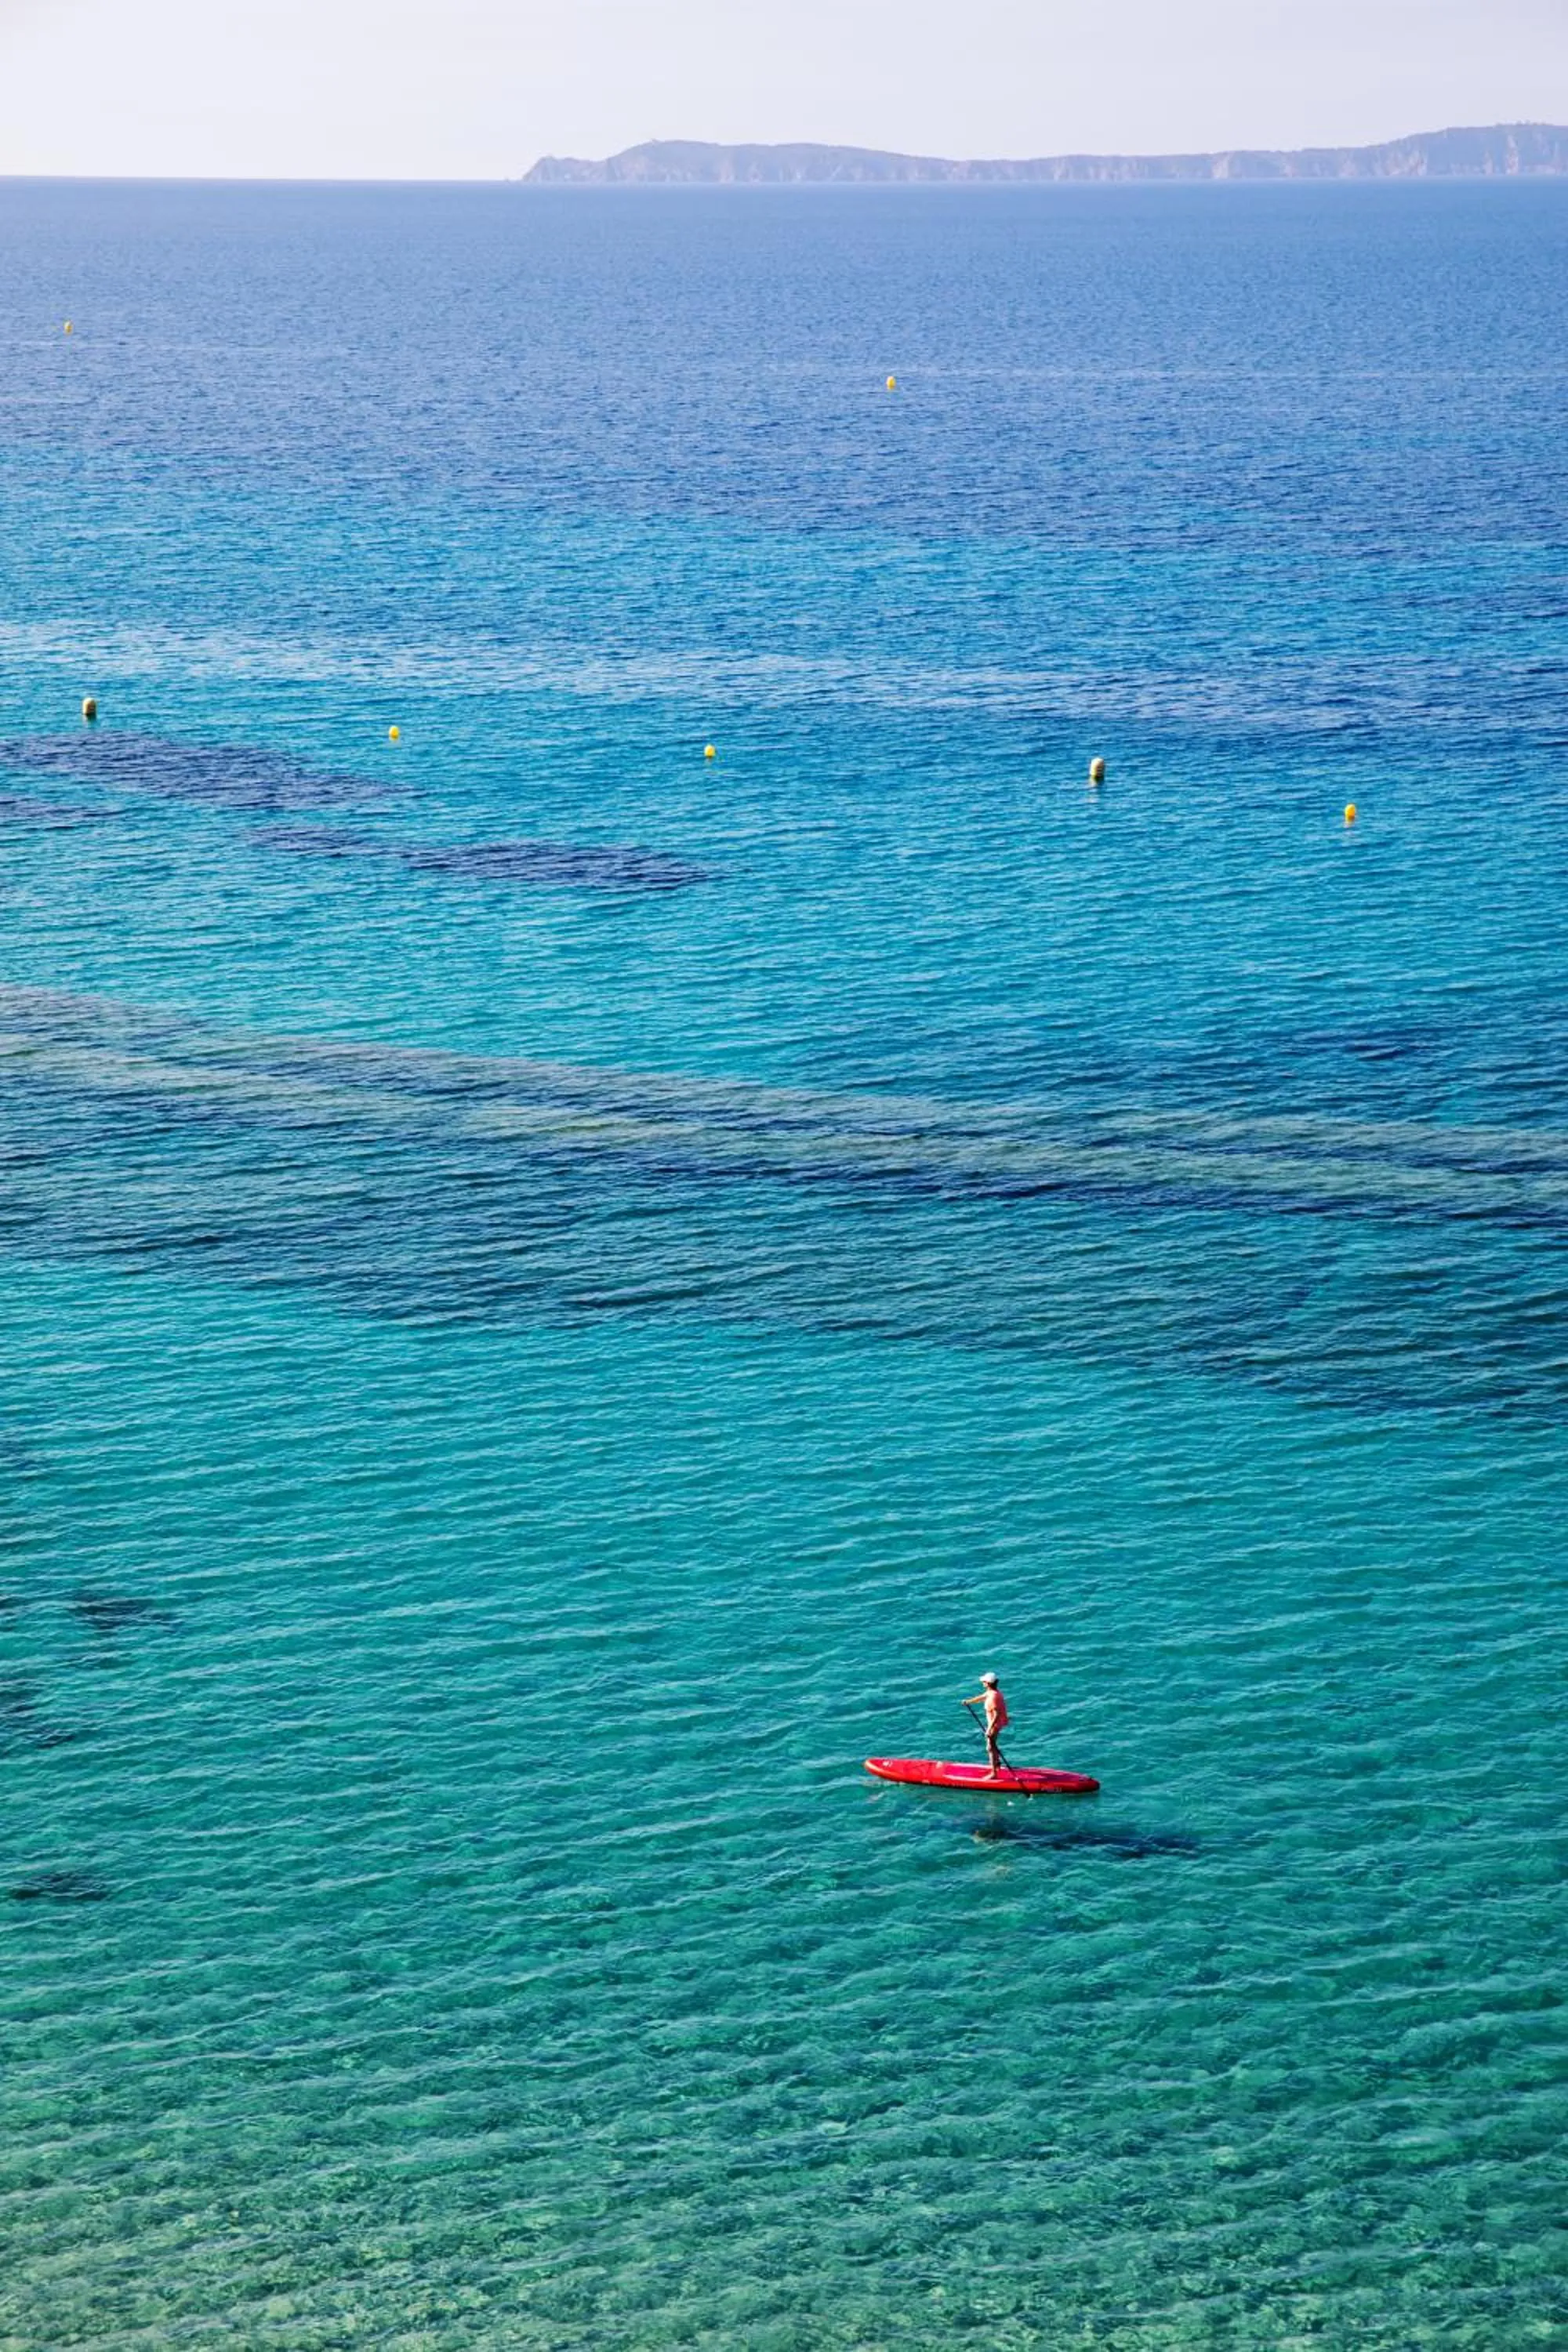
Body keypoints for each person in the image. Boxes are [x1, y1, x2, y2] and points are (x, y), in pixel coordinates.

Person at [963, 1671, 1009, 1774]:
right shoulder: (992, 1692)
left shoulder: (993, 1697)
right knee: (993, 1745)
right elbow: (981, 1698)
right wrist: (968, 1702)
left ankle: (994, 1773)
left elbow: (996, 1715)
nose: (982, 1682)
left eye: (984, 1681)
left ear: (988, 1683)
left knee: (990, 1747)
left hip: (995, 1724)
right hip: (995, 1723)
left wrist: (989, 1729)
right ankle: (997, 1764)